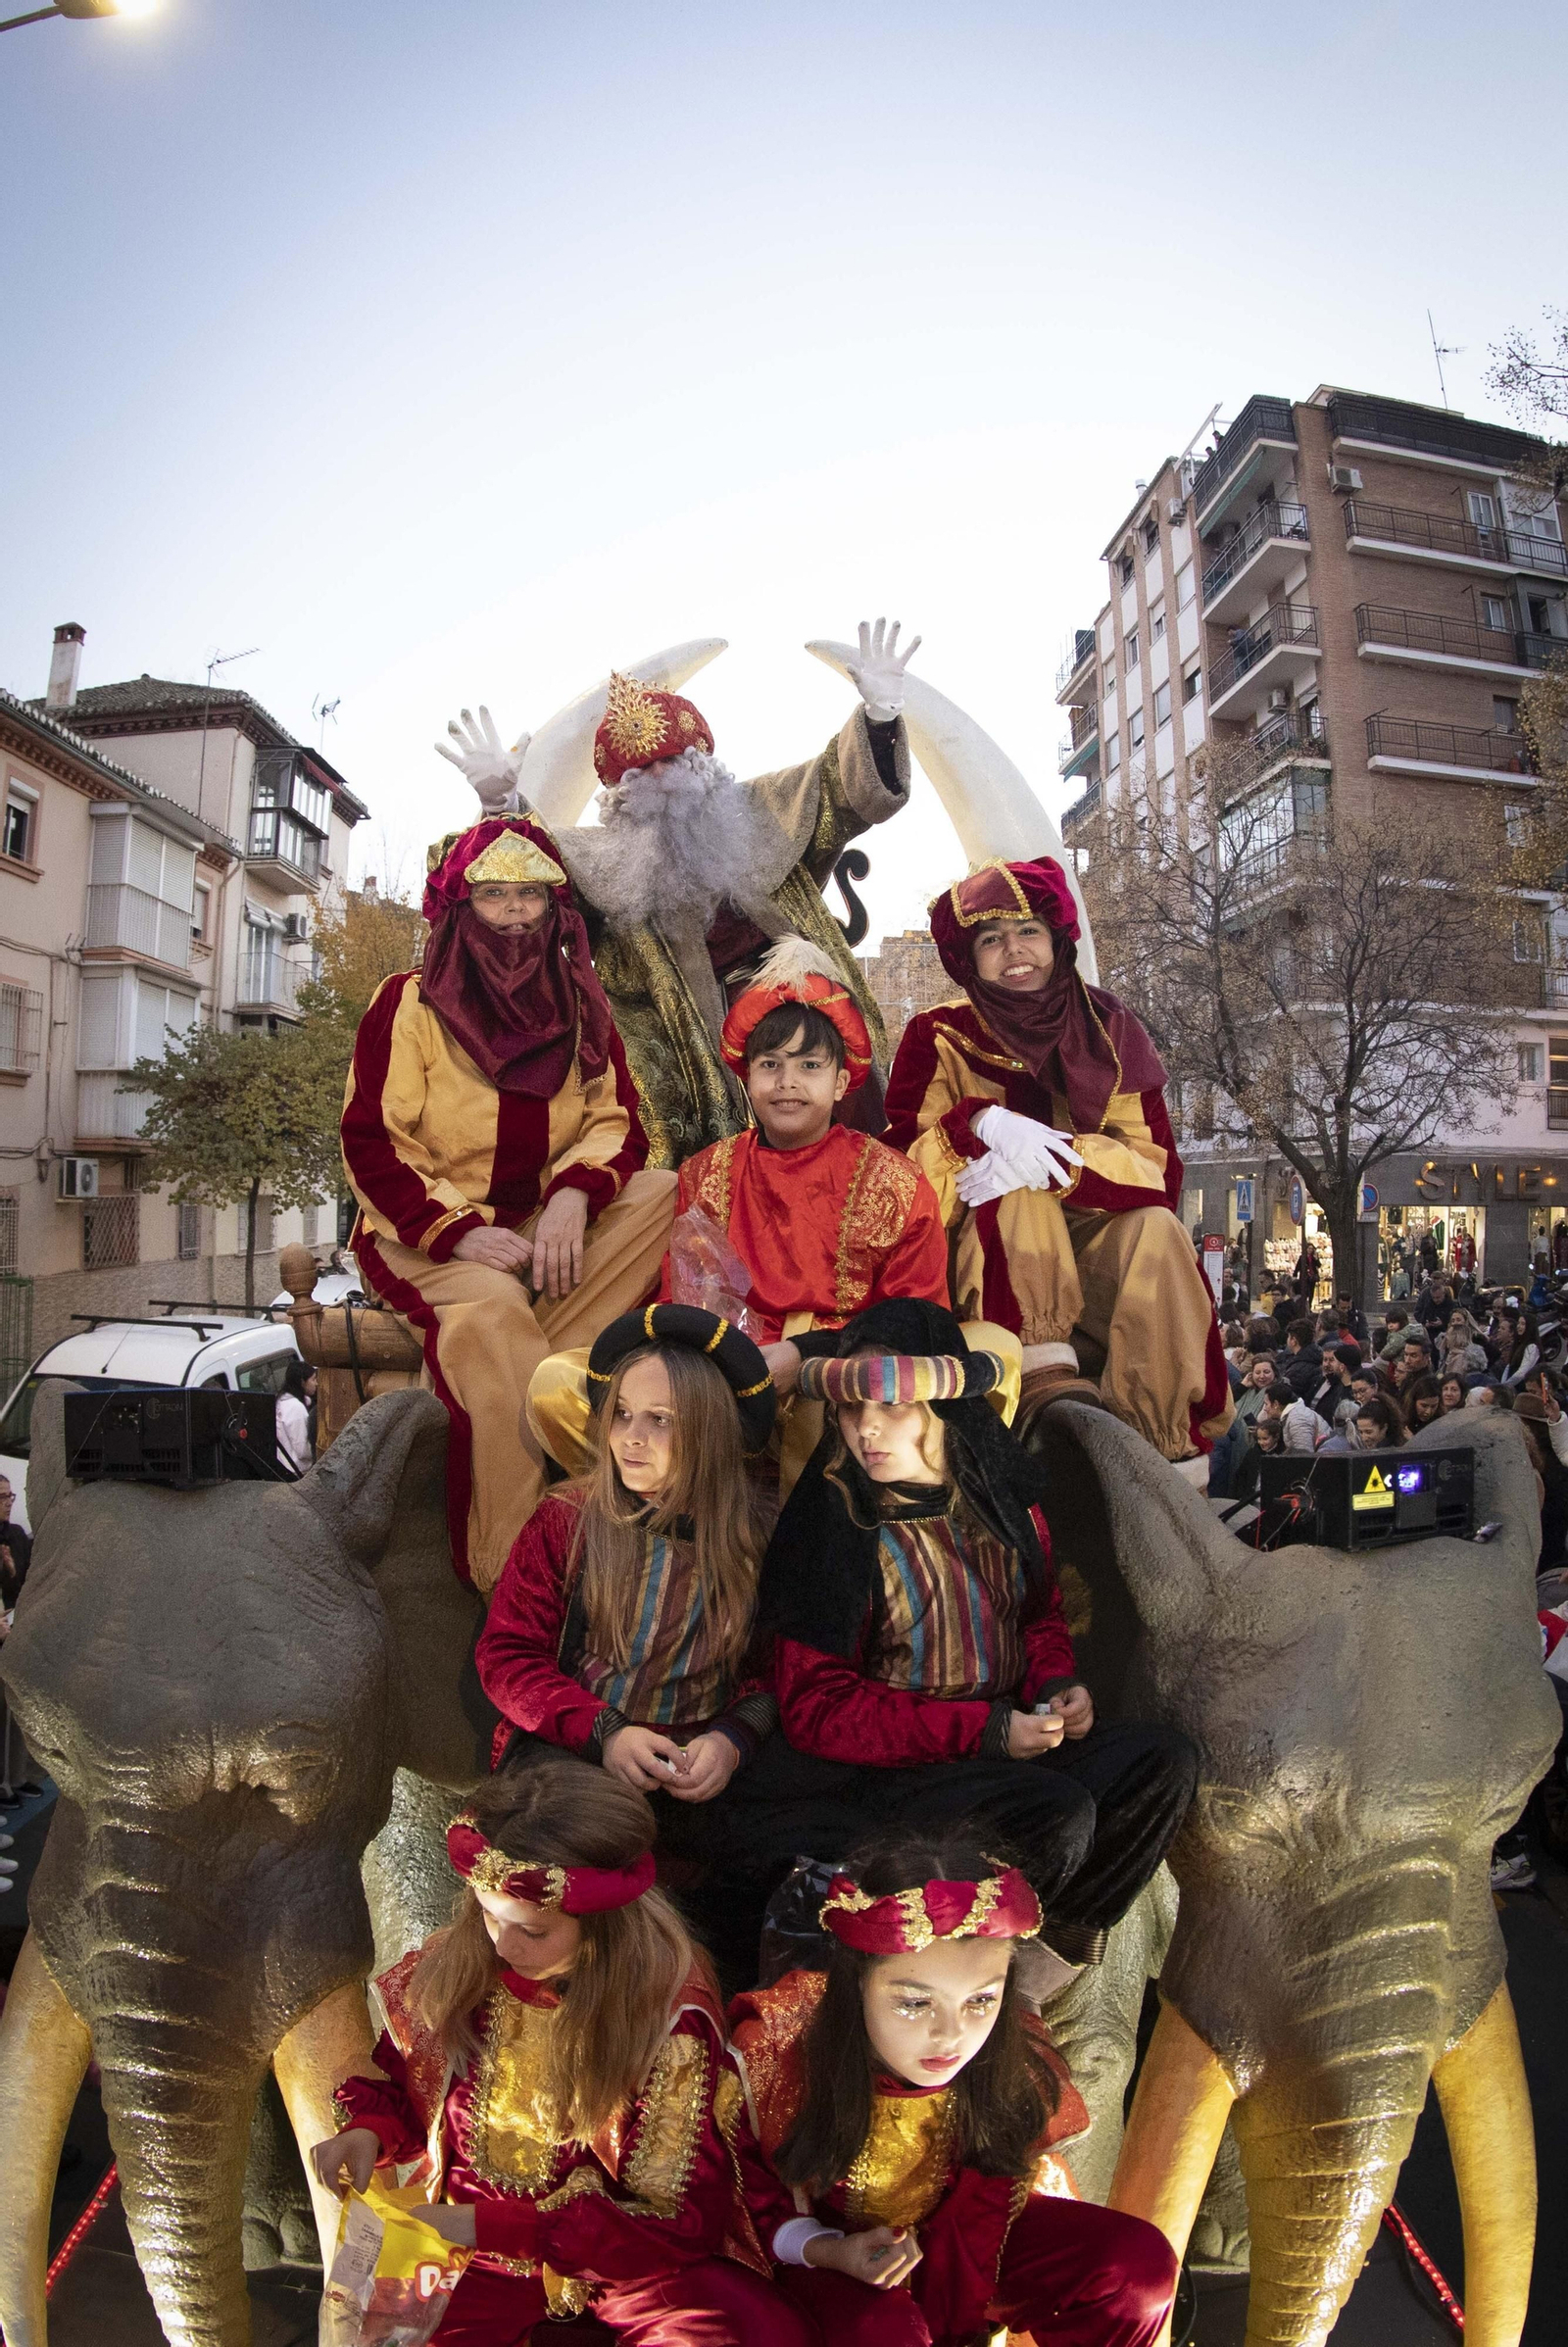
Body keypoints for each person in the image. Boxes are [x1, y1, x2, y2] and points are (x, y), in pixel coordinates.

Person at [722, 1298, 1198, 1968]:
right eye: (853, 1410)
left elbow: (1039, 1615)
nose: (866, 1430)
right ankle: (980, 1958)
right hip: (886, 1775)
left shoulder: (1003, 1500)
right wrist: (985, 1731)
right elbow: (817, 1710)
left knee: (1163, 1761)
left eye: (890, 1408)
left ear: (942, 1407)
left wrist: (1056, 1682)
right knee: (1057, 1812)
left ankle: (1053, 1945)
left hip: (996, 1749)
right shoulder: (832, 1523)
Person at [310, 1761, 808, 2347]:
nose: (503, 1944)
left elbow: (676, 2213)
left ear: (606, 1923)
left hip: (618, 2261)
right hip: (468, 2256)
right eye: (488, 1916)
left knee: (746, 2333)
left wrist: (494, 2226)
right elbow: (412, 2086)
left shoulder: (666, 2014)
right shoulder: (464, 1967)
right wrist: (371, 2129)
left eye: (533, 1931)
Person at [437, 620, 923, 1161]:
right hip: (675, 1038)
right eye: (641, 772)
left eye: (672, 761)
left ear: (703, 763)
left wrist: (880, 718)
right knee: (639, 1107)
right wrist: (501, 805)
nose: (662, 779)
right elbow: (521, 879)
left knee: (842, 1101)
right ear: (620, 795)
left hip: (804, 1005)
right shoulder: (600, 858)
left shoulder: (765, 808)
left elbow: (842, 788)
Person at [341, 814, 676, 1589]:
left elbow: (617, 1125)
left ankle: (539, 1359)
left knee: (662, 1194)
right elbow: (372, 1140)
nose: (518, 912)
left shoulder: (583, 1006)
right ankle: (516, 1571)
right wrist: (456, 1231)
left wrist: (572, 1197)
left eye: (531, 892)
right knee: (490, 1311)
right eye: (496, 895)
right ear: (462, 907)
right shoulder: (408, 1004)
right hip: (422, 1232)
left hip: (537, 1231)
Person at [729, 1829, 1178, 2347]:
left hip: (964, 2242)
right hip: (829, 2268)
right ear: (856, 1982)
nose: (952, 2035)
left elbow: (1004, 2187)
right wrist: (829, 2250)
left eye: (981, 2001)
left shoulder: (1012, 2058)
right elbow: (743, 2205)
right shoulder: (776, 2047)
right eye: (915, 2003)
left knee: (1133, 2269)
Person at [883, 856, 1230, 1462]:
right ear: (969, 957)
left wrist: (1059, 1159)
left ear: (1056, 938)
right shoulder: (936, 1036)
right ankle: (1041, 1378)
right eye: (991, 938)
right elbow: (904, 1182)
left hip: (1096, 1249)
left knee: (1157, 1230)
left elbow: (1150, 1166)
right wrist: (976, 1126)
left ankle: (1166, 1446)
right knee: (1013, 1192)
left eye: (1028, 931)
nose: (1013, 950)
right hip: (980, 1257)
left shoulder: (1111, 1026)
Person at [476, 1305, 778, 1980]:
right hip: (575, 1756)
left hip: (697, 1773)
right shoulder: (569, 1519)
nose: (630, 1438)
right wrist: (606, 1732)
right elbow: (506, 1657)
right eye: (622, 1414)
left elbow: (770, 1674)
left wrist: (731, 1740)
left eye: (660, 1420)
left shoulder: (758, 1539)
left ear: (707, 1428)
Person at [662, 943, 950, 1376]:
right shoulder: (704, 1174)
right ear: (748, 1078)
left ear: (840, 1082)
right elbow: (682, 1299)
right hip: (723, 1377)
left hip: (845, 1380)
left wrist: (805, 1354)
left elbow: (916, 1319)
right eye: (770, 1064)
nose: (787, 1082)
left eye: (810, 1065)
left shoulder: (896, 1183)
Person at [274, 1357, 314, 1476]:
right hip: (297, 1471)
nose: (316, 1383)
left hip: (284, 1466)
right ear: (302, 1382)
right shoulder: (295, 1408)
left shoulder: (281, 1402)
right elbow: (302, 1450)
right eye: (313, 1379)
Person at [0, 1477, 32, 1614]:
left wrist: (11, 1573)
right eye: (2, 1497)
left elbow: (31, 1584)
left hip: (17, 1618)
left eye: (10, 1496)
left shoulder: (17, 1535)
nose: (9, 1503)